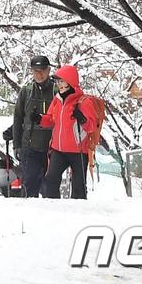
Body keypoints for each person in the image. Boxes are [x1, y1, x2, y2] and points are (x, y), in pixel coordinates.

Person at [40, 64, 98, 199]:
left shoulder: (84, 102)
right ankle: (53, 207)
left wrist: (82, 119)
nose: (58, 84)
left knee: (78, 187)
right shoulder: (57, 100)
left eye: (61, 81)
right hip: (58, 150)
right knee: (50, 180)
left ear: (70, 81)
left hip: (78, 151)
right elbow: (50, 120)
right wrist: (39, 119)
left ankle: (79, 213)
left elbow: (91, 127)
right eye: (57, 81)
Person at [6, 55, 56, 198]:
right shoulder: (26, 91)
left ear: (48, 70)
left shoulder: (56, 91)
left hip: (52, 148)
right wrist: (17, 145)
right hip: (30, 146)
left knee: (50, 188)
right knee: (29, 187)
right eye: (35, 71)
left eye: (42, 70)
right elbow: (17, 119)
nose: (39, 74)